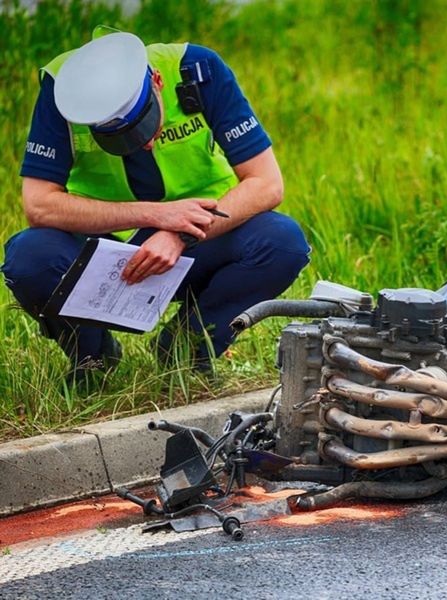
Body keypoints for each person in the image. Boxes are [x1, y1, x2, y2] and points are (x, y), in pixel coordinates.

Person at [1, 28, 310, 385]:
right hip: (107, 247)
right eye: (120, 140)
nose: (144, 144)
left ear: (157, 81)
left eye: (145, 125)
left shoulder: (199, 69)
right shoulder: (62, 90)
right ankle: (93, 359)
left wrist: (180, 234)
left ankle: (187, 349)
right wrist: (153, 215)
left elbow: (267, 183)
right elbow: (39, 205)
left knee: (283, 242)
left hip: (200, 237)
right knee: (28, 259)